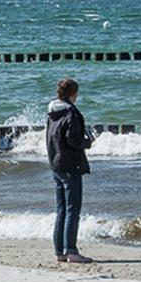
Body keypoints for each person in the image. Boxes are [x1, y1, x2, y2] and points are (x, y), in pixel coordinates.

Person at [46, 77, 94, 265]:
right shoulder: (71, 113)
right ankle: (72, 251)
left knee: (61, 210)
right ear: (73, 94)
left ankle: (60, 251)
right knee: (73, 210)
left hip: (55, 164)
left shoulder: (52, 112)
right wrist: (88, 142)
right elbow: (73, 140)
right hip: (70, 165)